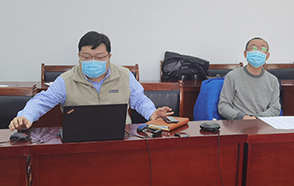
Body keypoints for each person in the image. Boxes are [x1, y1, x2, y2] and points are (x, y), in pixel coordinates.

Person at [9, 31, 173, 130]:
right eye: (86, 57)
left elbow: (139, 100)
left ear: (109, 57)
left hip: (120, 136)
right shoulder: (66, 80)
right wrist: (26, 116)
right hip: (78, 140)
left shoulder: (124, 75)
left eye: (99, 57)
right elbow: (42, 100)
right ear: (79, 56)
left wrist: (151, 113)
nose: (93, 61)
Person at [218, 37, 281, 120]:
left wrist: (257, 118)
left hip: (263, 122)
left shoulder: (273, 80)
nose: (258, 52)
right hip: (238, 122)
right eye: (253, 48)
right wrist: (242, 117)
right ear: (245, 54)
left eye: (262, 49)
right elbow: (223, 106)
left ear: (267, 56)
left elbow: (275, 108)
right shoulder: (232, 76)